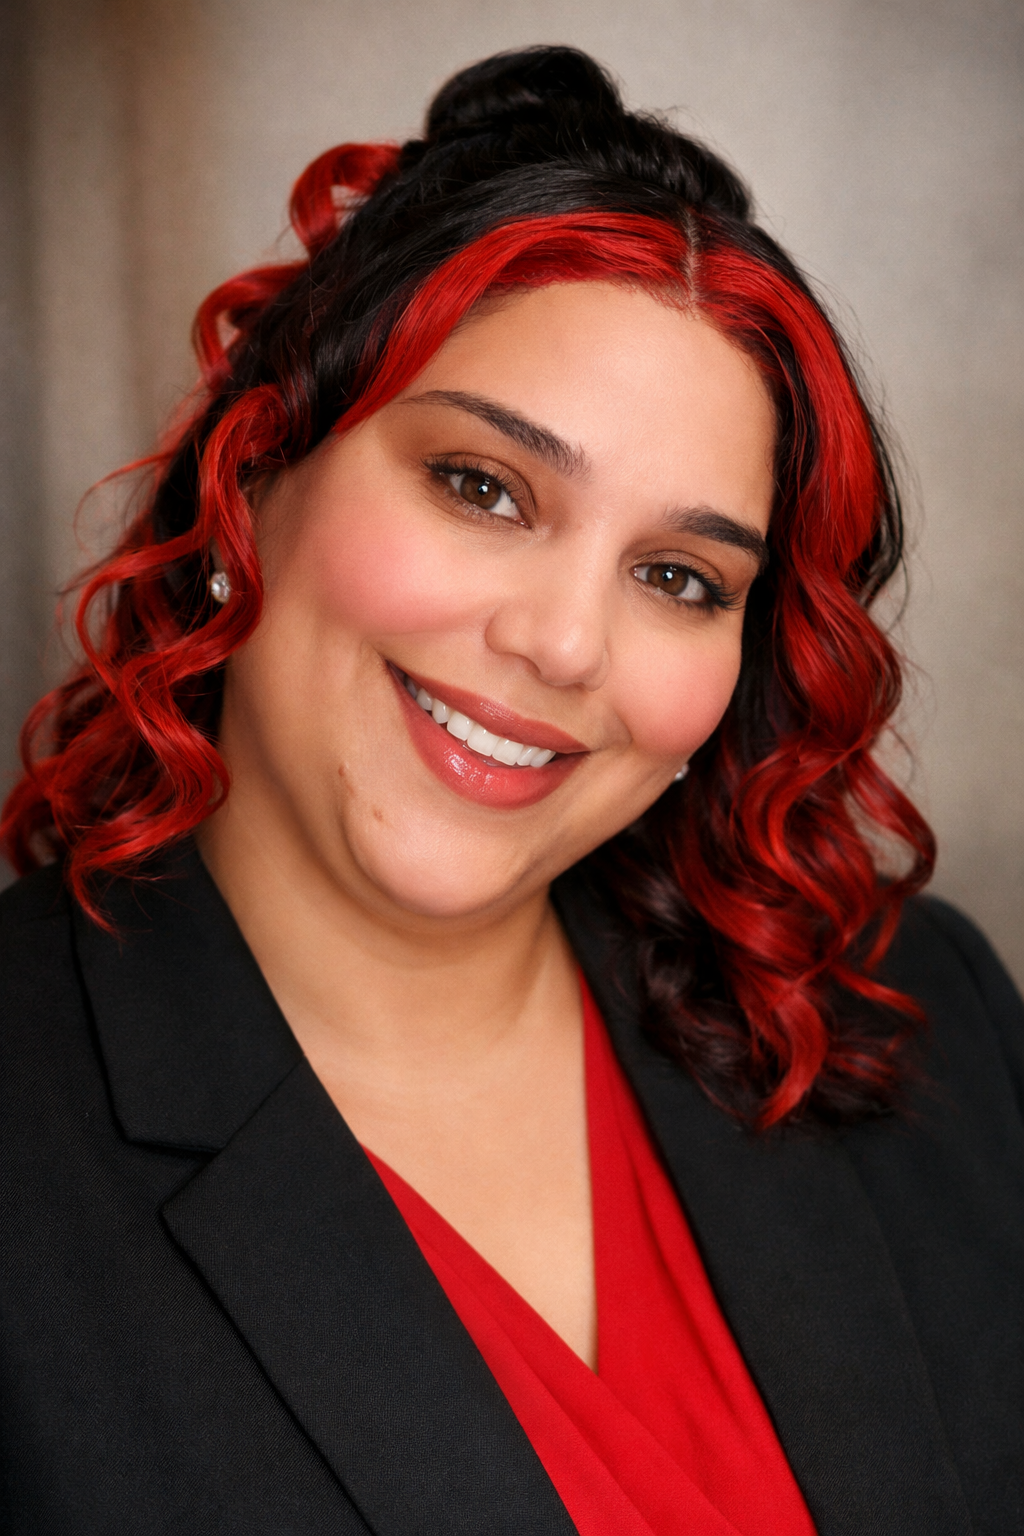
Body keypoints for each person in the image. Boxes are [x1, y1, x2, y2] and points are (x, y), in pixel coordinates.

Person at [1, 44, 1020, 1536]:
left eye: (678, 577)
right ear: (255, 472)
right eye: (483, 487)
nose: (563, 643)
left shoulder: (923, 1016)